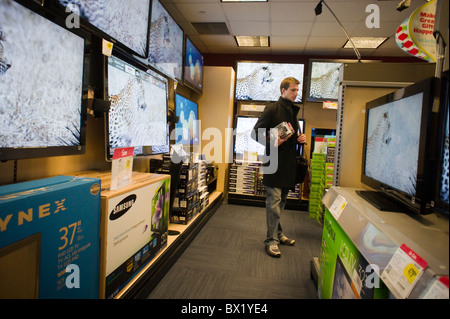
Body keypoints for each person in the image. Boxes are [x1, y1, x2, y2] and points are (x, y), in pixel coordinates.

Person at [252, 77, 307, 258]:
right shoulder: (272, 109)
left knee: (281, 202)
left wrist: (300, 139)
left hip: (287, 165)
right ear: (283, 90)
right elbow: (256, 134)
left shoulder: (292, 111)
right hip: (273, 163)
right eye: (293, 90)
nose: (296, 93)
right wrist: (276, 140)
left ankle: (278, 233)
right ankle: (271, 240)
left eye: (297, 90)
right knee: (274, 202)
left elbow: (291, 136)